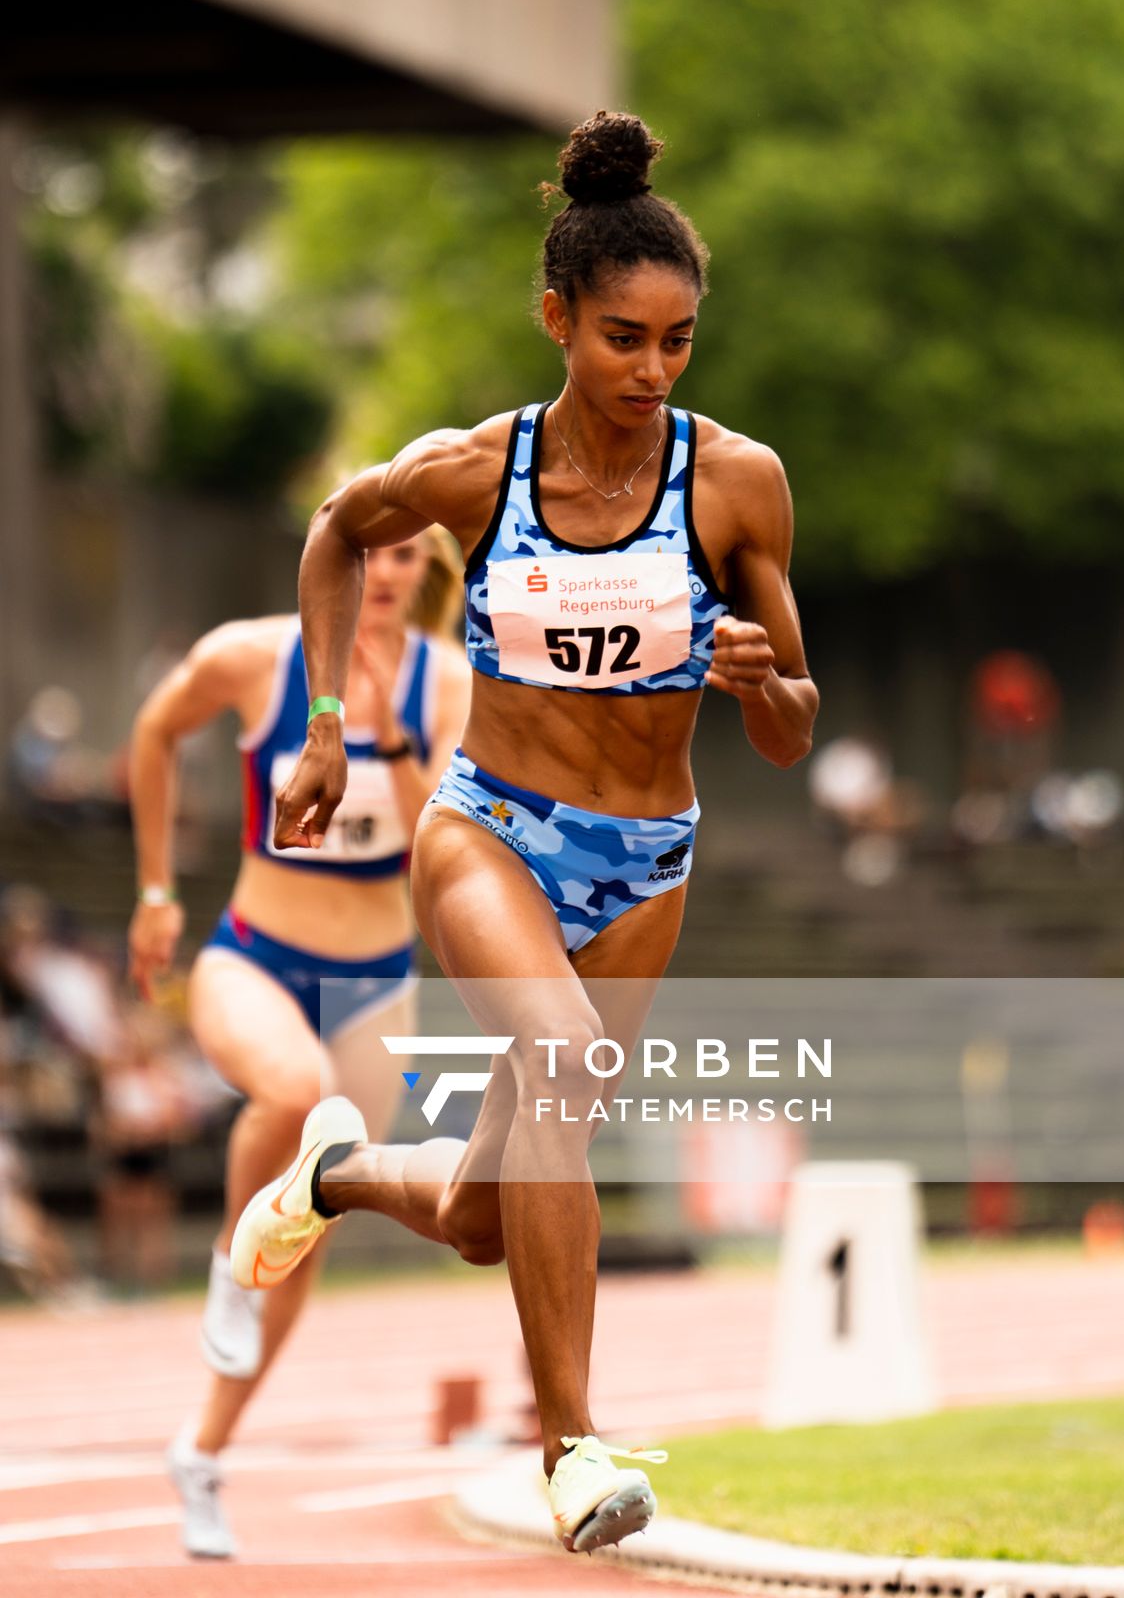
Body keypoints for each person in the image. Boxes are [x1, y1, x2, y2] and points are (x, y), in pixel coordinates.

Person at [228, 110, 819, 1554]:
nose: (652, 369)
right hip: (490, 826)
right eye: (624, 336)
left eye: (679, 342)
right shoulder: (477, 474)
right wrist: (320, 724)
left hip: (647, 861)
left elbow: (797, 721)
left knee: (494, 1214)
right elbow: (334, 527)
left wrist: (762, 681)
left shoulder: (737, 483)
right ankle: (573, 1451)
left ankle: (340, 1174)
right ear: (556, 316)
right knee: (553, 1068)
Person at [127, 527, 470, 1559]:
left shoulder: (443, 681)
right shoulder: (254, 658)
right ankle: (229, 1276)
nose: (386, 574)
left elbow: (441, 831)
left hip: (374, 981)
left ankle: (203, 1449)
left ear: (425, 577)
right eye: (367, 554)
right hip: (251, 957)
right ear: (331, 564)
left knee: (312, 1212)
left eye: (409, 558)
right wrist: (154, 891)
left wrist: (391, 736)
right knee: (291, 1092)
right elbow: (152, 733)